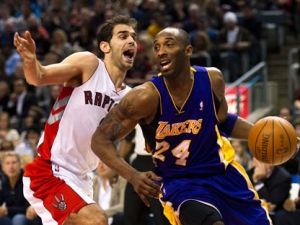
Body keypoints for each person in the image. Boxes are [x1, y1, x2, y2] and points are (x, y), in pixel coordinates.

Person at [91, 27, 274, 225]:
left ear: (188, 51)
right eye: (157, 47)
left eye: (169, 44)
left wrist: (260, 133)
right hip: (181, 183)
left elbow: (221, 121)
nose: (160, 51)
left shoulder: (213, 80)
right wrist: (133, 176)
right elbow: (100, 139)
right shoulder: (145, 97)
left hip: (224, 174)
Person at [13, 14, 138, 225]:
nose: (131, 41)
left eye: (133, 37)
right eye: (123, 36)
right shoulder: (89, 65)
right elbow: (39, 76)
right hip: (50, 171)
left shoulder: (129, 97)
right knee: (98, 220)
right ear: (105, 47)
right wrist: (30, 60)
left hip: (83, 178)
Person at [119, 124, 171, 225]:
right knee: (131, 213)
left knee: (161, 216)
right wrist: (115, 167)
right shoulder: (137, 113)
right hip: (138, 162)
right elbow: (128, 139)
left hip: (161, 161)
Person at [92, 160, 127, 225]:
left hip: (114, 219)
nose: (101, 166)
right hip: (96, 221)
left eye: (104, 162)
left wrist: (102, 214)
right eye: (98, 163)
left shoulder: (122, 181)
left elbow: (123, 206)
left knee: (120, 216)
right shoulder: (92, 182)